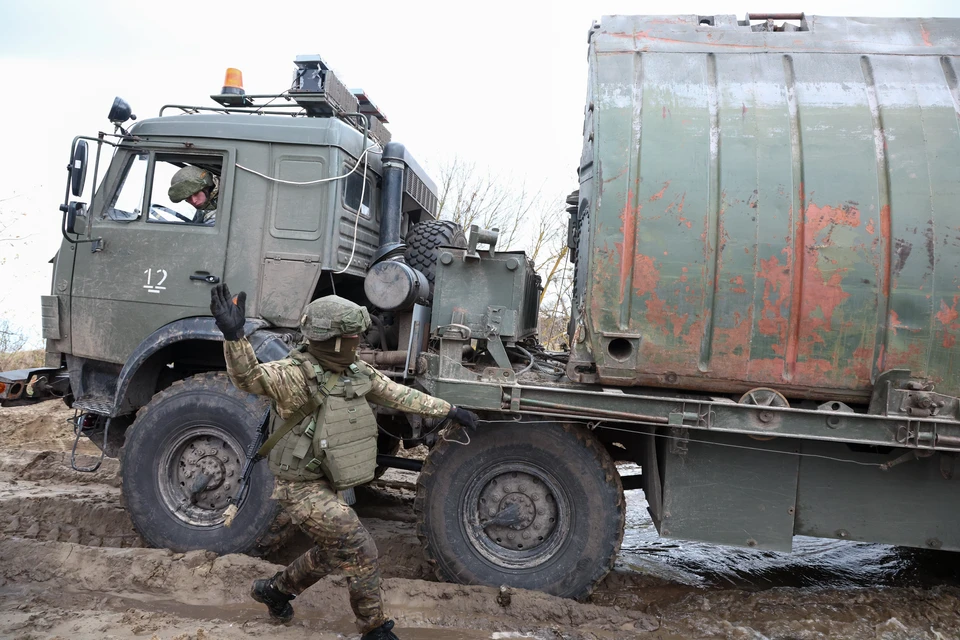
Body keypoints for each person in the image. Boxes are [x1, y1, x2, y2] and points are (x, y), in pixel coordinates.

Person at [209, 283, 478, 640]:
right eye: (352, 337)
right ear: (334, 341)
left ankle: (275, 590)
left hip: (327, 479)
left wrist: (451, 410)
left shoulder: (356, 371)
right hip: (299, 487)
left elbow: (398, 394)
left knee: (336, 551)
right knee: (359, 547)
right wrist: (234, 336)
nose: (358, 343)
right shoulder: (293, 374)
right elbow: (249, 378)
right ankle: (375, 629)